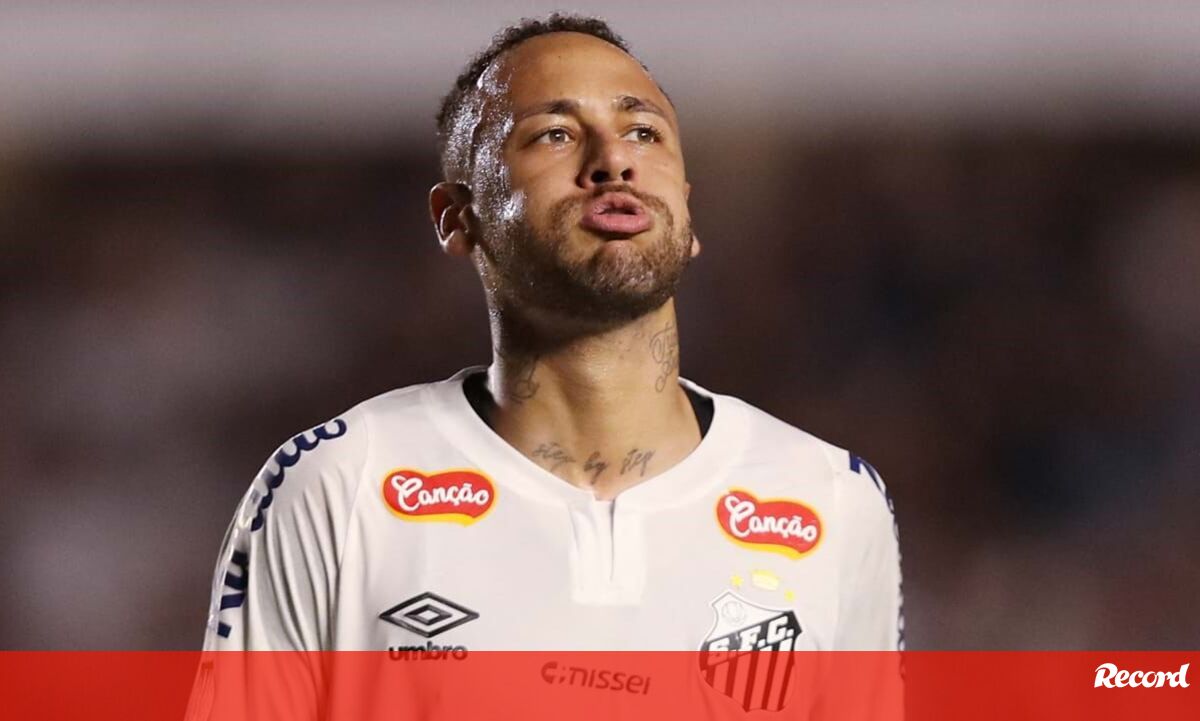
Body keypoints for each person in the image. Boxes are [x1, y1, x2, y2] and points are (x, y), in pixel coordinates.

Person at [191, 13, 903, 719]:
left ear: (688, 215)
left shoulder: (833, 501)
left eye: (643, 132)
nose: (613, 160)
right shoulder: (340, 486)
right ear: (457, 218)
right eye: (555, 134)